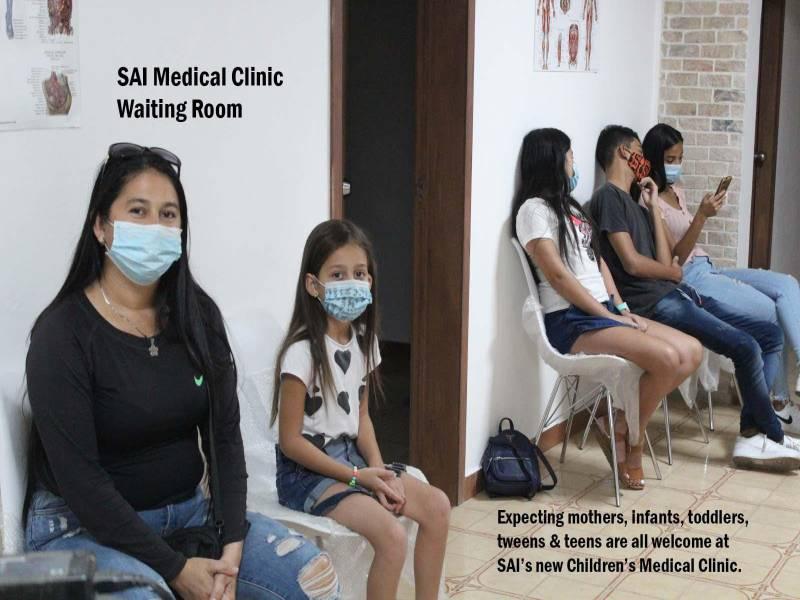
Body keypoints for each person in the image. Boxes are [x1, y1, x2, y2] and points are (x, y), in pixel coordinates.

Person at [24, 143, 339, 600]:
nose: (156, 227)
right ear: (101, 226)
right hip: (80, 529)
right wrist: (175, 570)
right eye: (138, 210)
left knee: (315, 581)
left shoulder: (199, 317)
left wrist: (231, 547)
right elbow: (83, 485)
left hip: (189, 513)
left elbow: (226, 441)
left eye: (169, 215)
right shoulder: (62, 335)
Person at [589, 125, 800, 471]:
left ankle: (754, 431)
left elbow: (664, 257)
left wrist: (654, 204)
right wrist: (671, 273)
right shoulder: (608, 198)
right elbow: (632, 262)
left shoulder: (637, 201)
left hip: (679, 293)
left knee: (769, 333)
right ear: (626, 153)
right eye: (640, 151)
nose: (646, 160)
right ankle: (771, 436)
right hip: (657, 304)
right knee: (745, 346)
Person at [511, 128, 703, 490]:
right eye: (570, 157)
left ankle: (617, 423)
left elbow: (598, 264)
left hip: (601, 310)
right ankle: (632, 444)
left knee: (691, 351)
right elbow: (558, 276)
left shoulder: (571, 208)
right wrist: (606, 316)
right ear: (553, 161)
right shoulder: (532, 211)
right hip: (571, 320)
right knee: (665, 358)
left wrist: (621, 307)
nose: (574, 164)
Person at [272, 219, 450, 600]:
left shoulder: (365, 342)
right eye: (337, 274)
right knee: (391, 536)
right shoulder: (301, 353)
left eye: (359, 273)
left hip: (353, 460)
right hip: (307, 472)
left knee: (437, 506)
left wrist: (381, 473)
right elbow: (290, 442)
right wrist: (358, 477)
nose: (351, 282)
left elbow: (361, 418)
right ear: (312, 284)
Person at [642, 123, 800, 431]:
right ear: (653, 159)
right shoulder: (649, 202)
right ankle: (773, 406)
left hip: (709, 267)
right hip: (690, 278)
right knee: (769, 313)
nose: (676, 166)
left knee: (787, 285)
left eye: (680, 158)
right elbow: (674, 258)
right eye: (671, 159)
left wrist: (699, 211)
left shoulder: (676, 190)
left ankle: (785, 393)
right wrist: (701, 216)